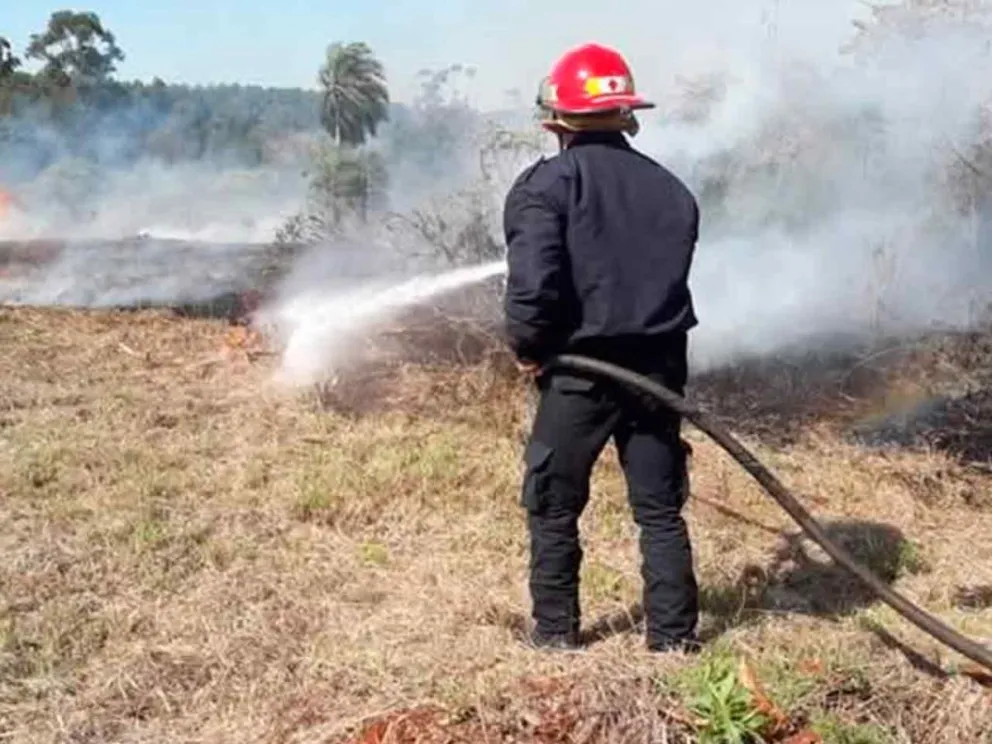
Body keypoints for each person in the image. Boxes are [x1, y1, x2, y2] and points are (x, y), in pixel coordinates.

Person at [502, 42, 702, 653]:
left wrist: (529, 348)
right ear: (626, 114)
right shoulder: (672, 190)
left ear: (556, 119)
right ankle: (673, 642)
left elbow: (533, 288)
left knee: (553, 504)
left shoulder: (545, 188)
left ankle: (556, 637)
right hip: (659, 371)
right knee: (660, 510)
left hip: (579, 374)